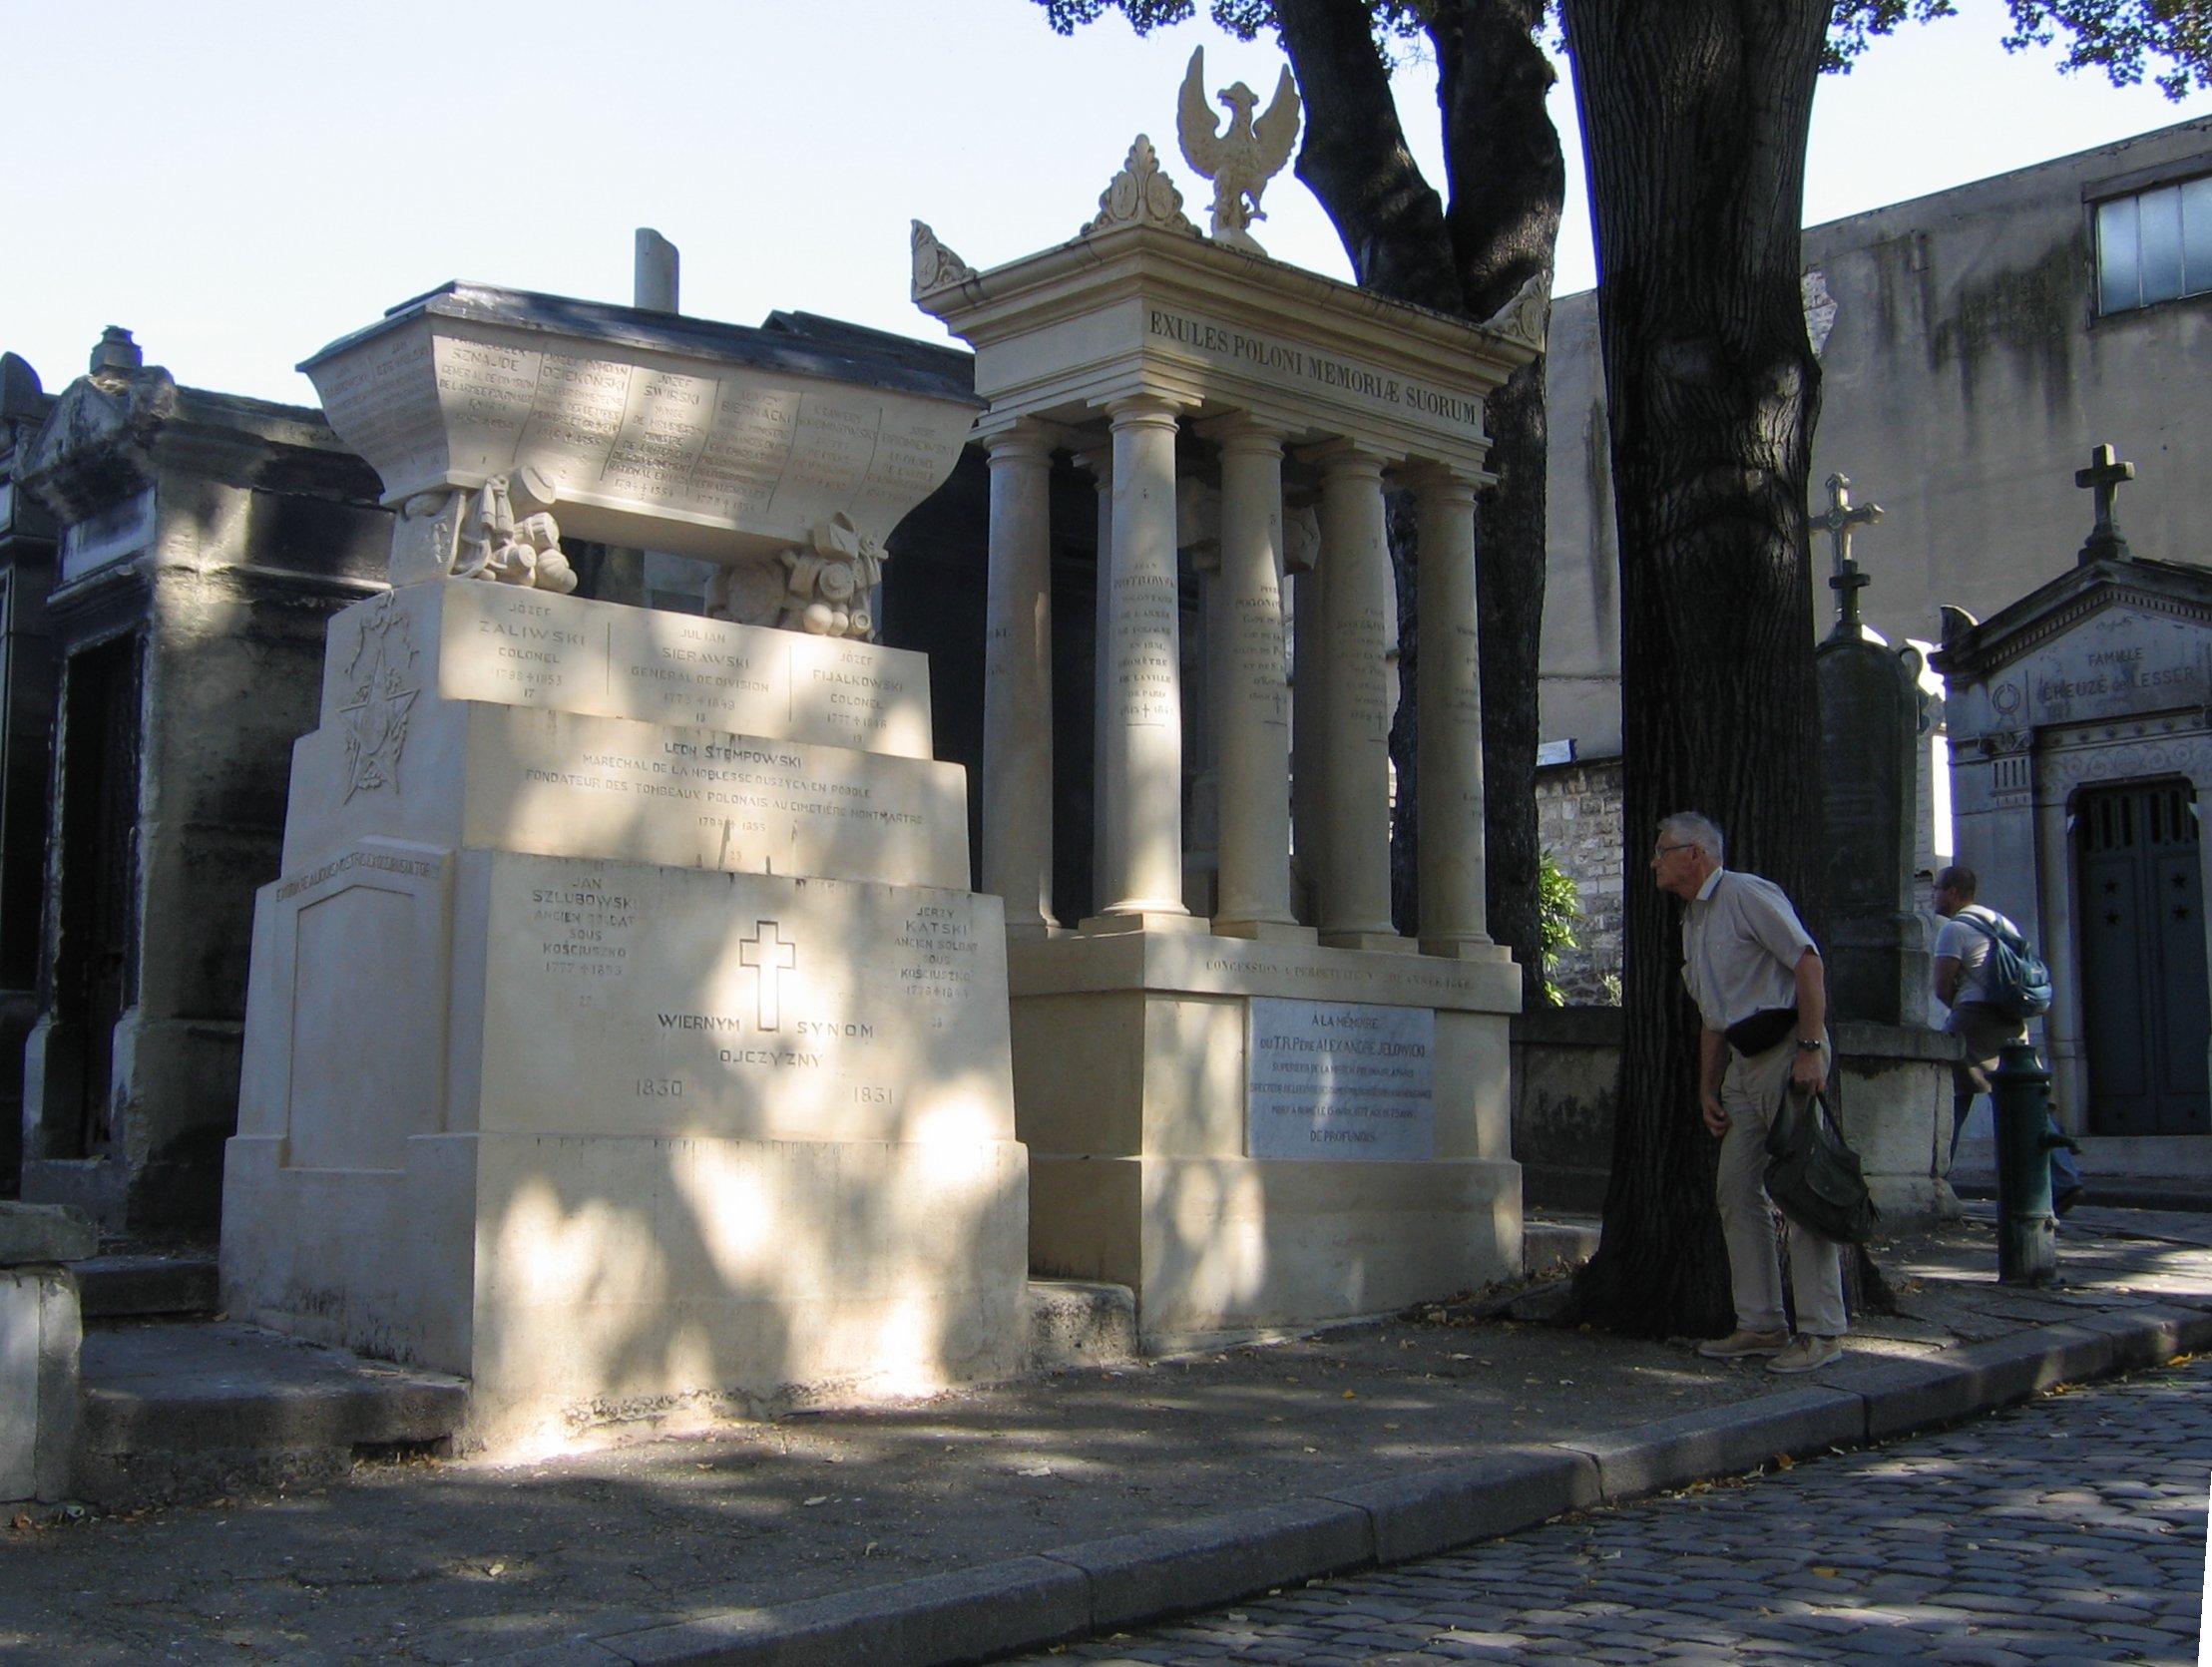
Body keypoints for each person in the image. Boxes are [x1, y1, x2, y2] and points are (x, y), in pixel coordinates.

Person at [1652, 812, 1847, 1375]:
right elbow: (1713, 1016)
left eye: (1664, 850)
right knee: (1737, 1191)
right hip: (1742, 1062)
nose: (1655, 861)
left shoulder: (1745, 894)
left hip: (1787, 1050)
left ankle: (1821, 1330)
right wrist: (1707, 1086)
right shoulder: (1692, 920)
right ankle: (1761, 1323)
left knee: (1802, 1191)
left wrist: (1810, 1049)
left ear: (1696, 854)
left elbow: (1807, 963)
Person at [1930, 865, 2081, 1213]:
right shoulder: (2001, 922)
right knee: (2024, 1099)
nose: (1933, 895)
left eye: (1937, 889)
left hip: (1974, 1020)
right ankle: (2063, 1177)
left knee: (1951, 1098)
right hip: (2012, 1020)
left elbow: (1942, 986)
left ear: (1953, 892)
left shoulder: (1954, 929)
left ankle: (1934, 1184)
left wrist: (1961, 1009)